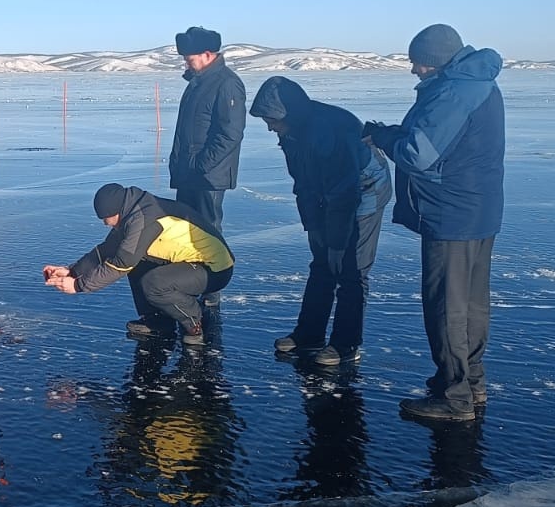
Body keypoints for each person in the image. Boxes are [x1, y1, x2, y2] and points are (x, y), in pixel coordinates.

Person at [364, 24, 504, 422]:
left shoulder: (452, 93)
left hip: (451, 213)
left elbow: (417, 154)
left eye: (418, 63)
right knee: (473, 302)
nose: (414, 71)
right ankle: (470, 382)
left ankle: (455, 395)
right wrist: (393, 132)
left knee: (446, 305)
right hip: (480, 209)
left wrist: (385, 139)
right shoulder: (479, 84)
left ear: (435, 61)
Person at [250, 76, 392, 366]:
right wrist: (313, 227)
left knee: (351, 267)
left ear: (288, 114)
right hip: (333, 190)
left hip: (364, 187)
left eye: (271, 119)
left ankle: (345, 345)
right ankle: (309, 335)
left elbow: (344, 192)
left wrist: (338, 243)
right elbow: (303, 183)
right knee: (322, 262)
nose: (269, 127)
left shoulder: (331, 131)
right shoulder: (290, 133)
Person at [43, 183, 234, 346]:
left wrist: (78, 286)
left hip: (214, 269)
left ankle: (194, 320)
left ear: (115, 211)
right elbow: (108, 249)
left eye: (105, 219)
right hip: (186, 262)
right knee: (137, 262)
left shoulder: (143, 219)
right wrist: (72, 271)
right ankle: (157, 322)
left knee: (154, 282)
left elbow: (120, 264)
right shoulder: (132, 210)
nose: (105, 224)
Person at [168, 26, 245, 308]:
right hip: (190, 173)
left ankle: (212, 286)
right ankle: (190, 280)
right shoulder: (198, 82)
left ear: (208, 54)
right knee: (186, 229)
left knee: (208, 230)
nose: (186, 62)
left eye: (190, 57)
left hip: (208, 176)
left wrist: (202, 166)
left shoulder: (226, 84)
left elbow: (230, 133)